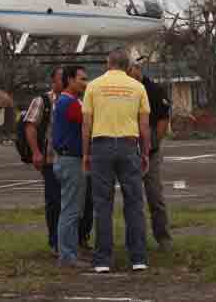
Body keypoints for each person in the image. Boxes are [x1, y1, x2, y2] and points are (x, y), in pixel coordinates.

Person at [82, 49, 151, 274]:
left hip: (101, 146)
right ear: (128, 66)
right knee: (134, 203)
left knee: (102, 204)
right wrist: (146, 153)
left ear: (107, 62)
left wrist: (85, 154)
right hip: (129, 145)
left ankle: (103, 259)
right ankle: (138, 258)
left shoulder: (93, 86)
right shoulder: (138, 87)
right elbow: (144, 126)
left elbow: (86, 125)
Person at [127, 59, 173, 251]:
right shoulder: (126, 89)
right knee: (132, 198)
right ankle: (136, 240)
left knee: (154, 196)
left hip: (150, 151)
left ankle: (163, 237)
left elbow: (163, 119)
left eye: (130, 70)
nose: (128, 75)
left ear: (137, 69)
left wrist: (153, 144)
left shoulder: (154, 90)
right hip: (128, 150)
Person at [53, 65, 90, 268]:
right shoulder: (70, 103)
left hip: (67, 159)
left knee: (72, 209)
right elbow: (89, 121)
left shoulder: (68, 101)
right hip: (71, 161)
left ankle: (70, 252)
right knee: (71, 210)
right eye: (82, 79)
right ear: (69, 80)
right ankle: (67, 256)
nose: (85, 83)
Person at [24, 67, 62, 257]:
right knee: (54, 201)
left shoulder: (78, 99)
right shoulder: (43, 101)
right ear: (53, 81)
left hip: (74, 160)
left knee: (77, 203)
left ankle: (76, 239)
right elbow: (30, 125)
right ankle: (54, 241)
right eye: (62, 78)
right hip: (50, 159)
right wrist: (36, 152)